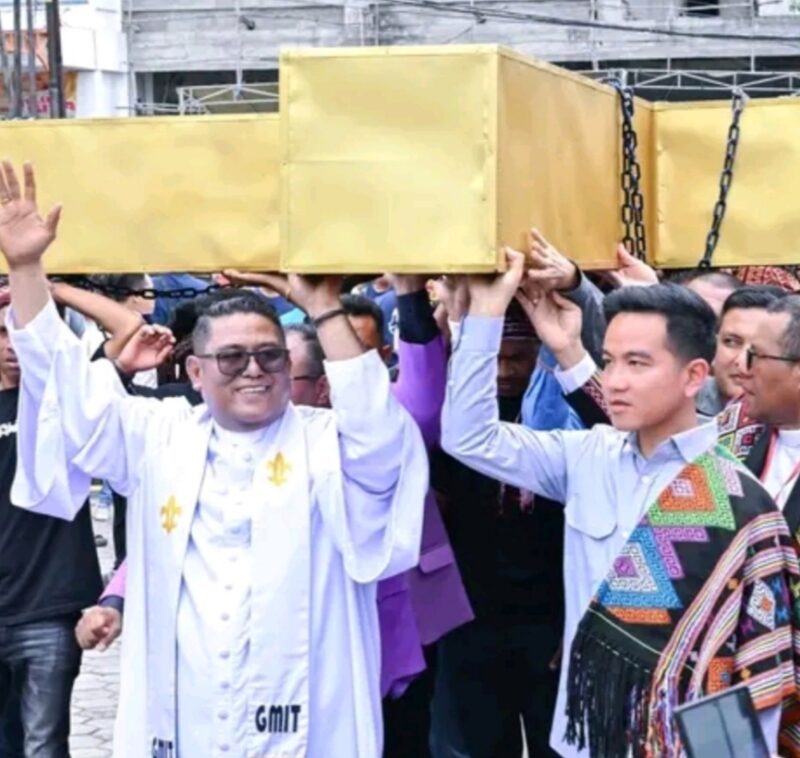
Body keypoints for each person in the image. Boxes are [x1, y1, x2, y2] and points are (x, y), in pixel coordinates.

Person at [0, 161, 427, 758]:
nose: (253, 369)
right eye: (230, 358)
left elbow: (380, 439)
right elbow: (66, 389)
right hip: (189, 714)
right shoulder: (158, 434)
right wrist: (26, 271)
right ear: (194, 372)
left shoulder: (327, 441)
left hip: (308, 719)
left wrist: (321, 306)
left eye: (269, 355)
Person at [441, 250, 800, 757]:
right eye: (609, 362)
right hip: (584, 737)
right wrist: (485, 315)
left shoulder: (742, 499)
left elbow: (759, 672)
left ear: (694, 376)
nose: (615, 381)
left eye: (638, 364)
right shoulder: (586, 456)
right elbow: (467, 437)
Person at [0, 286, 104, 758]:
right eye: (3, 332)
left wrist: (46, 287)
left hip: (48, 608)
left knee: (43, 743)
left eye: (21, 330)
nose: (13, 343)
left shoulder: (70, 404)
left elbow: (128, 334)